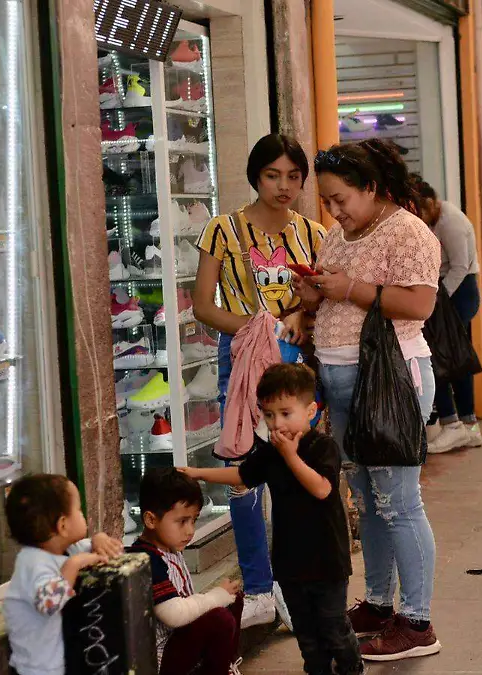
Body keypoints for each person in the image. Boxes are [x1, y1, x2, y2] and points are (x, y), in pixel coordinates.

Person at [298, 138, 443, 661]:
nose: (335, 212)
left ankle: (419, 621)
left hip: (390, 379)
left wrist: (349, 288)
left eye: (342, 199)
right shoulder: (340, 234)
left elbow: (419, 303)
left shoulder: (408, 231)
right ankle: (381, 603)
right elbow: (335, 290)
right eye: (328, 203)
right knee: (367, 502)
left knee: (398, 503)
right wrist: (312, 293)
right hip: (341, 380)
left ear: (373, 189)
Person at [193, 133, 324, 628]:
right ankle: (257, 587)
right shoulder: (222, 229)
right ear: (255, 176)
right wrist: (258, 327)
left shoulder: (313, 233)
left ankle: (295, 583)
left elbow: (317, 301)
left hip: (295, 359)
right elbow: (204, 305)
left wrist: (296, 315)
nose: (284, 185)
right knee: (245, 475)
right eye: (273, 175)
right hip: (241, 354)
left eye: (294, 176)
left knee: (296, 469)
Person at [183, 364, 361, 675]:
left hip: (327, 561)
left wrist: (291, 456)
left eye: (285, 413)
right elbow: (242, 473)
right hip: (290, 563)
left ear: (310, 411)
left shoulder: (322, 447)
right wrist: (197, 473)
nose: (276, 423)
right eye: (268, 415)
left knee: (333, 626)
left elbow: (321, 489)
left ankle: (351, 668)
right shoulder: (269, 452)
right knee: (306, 634)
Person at [127, 469, 246, 675]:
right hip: (160, 659)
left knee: (233, 598)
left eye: (194, 520)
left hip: (181, 645)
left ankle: (225, 664)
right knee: (218, 617)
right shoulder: (146, 559)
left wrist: (221, 598)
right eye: (182, 521)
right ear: (150, 520)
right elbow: (174, 615)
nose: (190, 530)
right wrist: (214, 597)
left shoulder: (169, 549)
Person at [3, 474, 124, 675]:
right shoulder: (32, 563)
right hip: (35, 670)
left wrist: (99, 539)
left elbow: (96, 551)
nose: (83, 514)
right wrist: (74, 565)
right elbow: (49, 603)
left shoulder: (64, 550)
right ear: (62, 525)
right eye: (78, 510)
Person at [417, 179, 482, 454]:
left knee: (443, 356)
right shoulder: (433, 220)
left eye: (420, 211)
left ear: (431, 203)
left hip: (458, 290)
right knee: (453, 357)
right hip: (444, 290)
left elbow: (460, 266)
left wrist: (435, 299)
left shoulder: (451, 221)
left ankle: (455, 423)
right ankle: (465, 425)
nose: (418, 218)